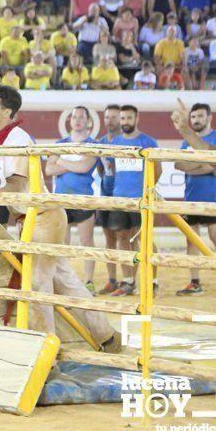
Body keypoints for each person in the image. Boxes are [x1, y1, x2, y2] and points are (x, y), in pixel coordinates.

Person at [0, 85, 124, 351]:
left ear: (7, 111)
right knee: (66, 282)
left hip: (41, 218)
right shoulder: (5, 138)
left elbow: (13, 183)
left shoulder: (15, 138)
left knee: (37, 286)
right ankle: (107, 336)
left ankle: (46, 350)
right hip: (40, 217)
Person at [171, 102, 216, 298]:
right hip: (190, 197)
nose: (196, 120)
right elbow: (179, 165)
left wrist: (198, 164)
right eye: (193, 117)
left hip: (212, 197)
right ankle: (195, 282)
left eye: (199, 116)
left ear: (209, 118)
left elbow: (215, 169)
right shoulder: (185, 141)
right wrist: (204, 164)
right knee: (191, 241)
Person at [109, 105, 161, 297]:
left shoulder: (148, 142)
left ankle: (153, 282)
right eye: (122, 119)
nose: (125, 122)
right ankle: (128, 281)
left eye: (129, 118)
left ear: (137, 119)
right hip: (120, 198)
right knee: (123, 238)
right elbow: (114, 170)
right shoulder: (115, 143)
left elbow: (158, 171)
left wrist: (146, 191)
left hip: (141, 199)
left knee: (144, 239)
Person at [45, 107, 98, 294]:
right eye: (75, 117)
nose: (77, 120)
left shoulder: (92, 145)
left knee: (86, 241)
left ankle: (89, 281)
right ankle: (64, 281)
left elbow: (85, 167)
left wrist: (61, 163)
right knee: (62, 243)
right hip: (61, 200)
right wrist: (73, 166)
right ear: (70, 120)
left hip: (83, 199)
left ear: (88, 122)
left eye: (81, 117)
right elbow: (48, 170)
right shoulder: (60, 143)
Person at [95, 104, 121, 294]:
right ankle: (112, 280)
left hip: (123, 197)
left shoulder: (126, 140)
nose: (109, 121)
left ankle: (131, 280)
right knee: (109, 238)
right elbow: (101, 170)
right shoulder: (101, 143)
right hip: (106, 197)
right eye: (107, 117)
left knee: (128, 238)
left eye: (113, 117)